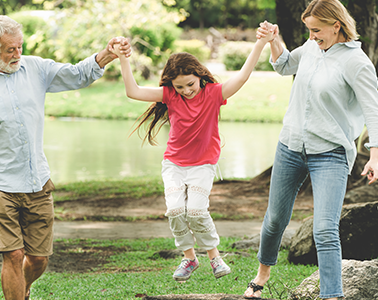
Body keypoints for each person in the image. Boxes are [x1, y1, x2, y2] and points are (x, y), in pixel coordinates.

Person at [0, 15, 131, 300]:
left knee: (38, 259)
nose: (17, 55)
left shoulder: (36, 68)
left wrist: (107, 54)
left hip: (37, 181)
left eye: (19, 47)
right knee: (13, 255)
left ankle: (24, 288)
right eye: (9, 50)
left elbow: (77, 75)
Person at [244, 0, 378, 300]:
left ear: (337, 26)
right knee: (274, 221)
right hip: (291, 146)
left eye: (317, 30)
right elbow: (283, 65)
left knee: (324, 229)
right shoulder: (311, 47)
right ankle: (261, 276)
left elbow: (374, 110)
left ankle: (331, 296)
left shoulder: (356, 62)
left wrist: (374, 155)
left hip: (331, 154)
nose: (312, 37)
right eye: (309, 31)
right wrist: (274, 39)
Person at [113, 26, 274, 282]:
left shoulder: (213, 94)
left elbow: (242, 78)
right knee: (176, 211)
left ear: (199, 76)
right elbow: (133, 91)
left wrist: (260, 44)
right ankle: (189, 258)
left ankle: (214, 257)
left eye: (190, 84)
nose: (186, 91)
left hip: (203, 165)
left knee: (197, 211)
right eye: (180, 87)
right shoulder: (170, 95)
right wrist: (123, 58)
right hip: (174, 164)